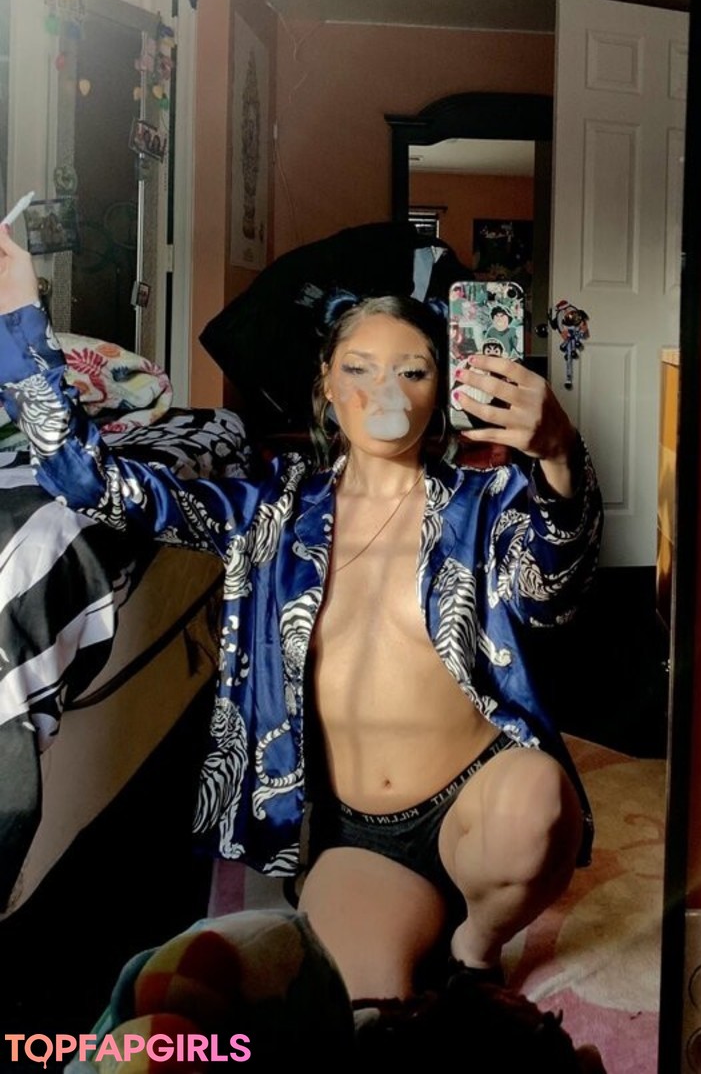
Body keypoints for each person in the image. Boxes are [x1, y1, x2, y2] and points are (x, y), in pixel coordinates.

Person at [0, 226, 602, 1003]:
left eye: (413, 370)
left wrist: (557, 451)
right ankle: (409, 927)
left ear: (440, 388)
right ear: (325, 384)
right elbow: (94, 484)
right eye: (359, 368)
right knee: (363, 1012)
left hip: (480, 797)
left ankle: (478, 941)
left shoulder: (482, 503)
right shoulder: (267, 512)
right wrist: (21, 319)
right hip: (365, 834)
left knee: (538, 802)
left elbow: (555, 587)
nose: (385, 392)